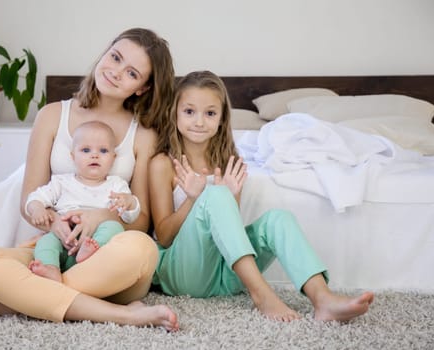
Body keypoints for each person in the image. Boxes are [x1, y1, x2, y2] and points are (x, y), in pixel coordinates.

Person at [0, 27, 179, 331]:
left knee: (142, 250)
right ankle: (123, 316)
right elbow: (29, 198)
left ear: (143, 88)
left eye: (132, 72)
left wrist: (99, 217)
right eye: (115, 57)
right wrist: (53, 222)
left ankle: (8, 301)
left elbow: (141, 220)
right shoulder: (52, 115)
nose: (116, 72)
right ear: (105, 53)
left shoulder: (143, 134)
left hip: (109, 257)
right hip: (57, 245)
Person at [148, 70, 374, 322]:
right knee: (215, 196)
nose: (199, 121)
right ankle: (262, 295)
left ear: (222, 118)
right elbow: (165, 237)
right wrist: (193, 199)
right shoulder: (163, 164)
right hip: (184, 276)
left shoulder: (227, 161)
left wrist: (232, 197)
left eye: (210, 113)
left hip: (223, 277)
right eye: (189, 111)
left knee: (278, 218)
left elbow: (226, 231)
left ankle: (323, 299)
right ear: (174, 113)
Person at [27, 121, 141, 282]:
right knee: (46, 241)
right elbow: (35, 197)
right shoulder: (61, 182)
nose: (94, 155)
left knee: (114, 227)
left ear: (113, 158)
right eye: (86, 150)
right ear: (73, 156)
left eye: (103, 150)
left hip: (95, 242)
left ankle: (91, 250)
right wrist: (37, 209)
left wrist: (129, 202)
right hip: (64, 238)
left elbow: (130, 217)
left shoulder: (116, 184)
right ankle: (51, 268)